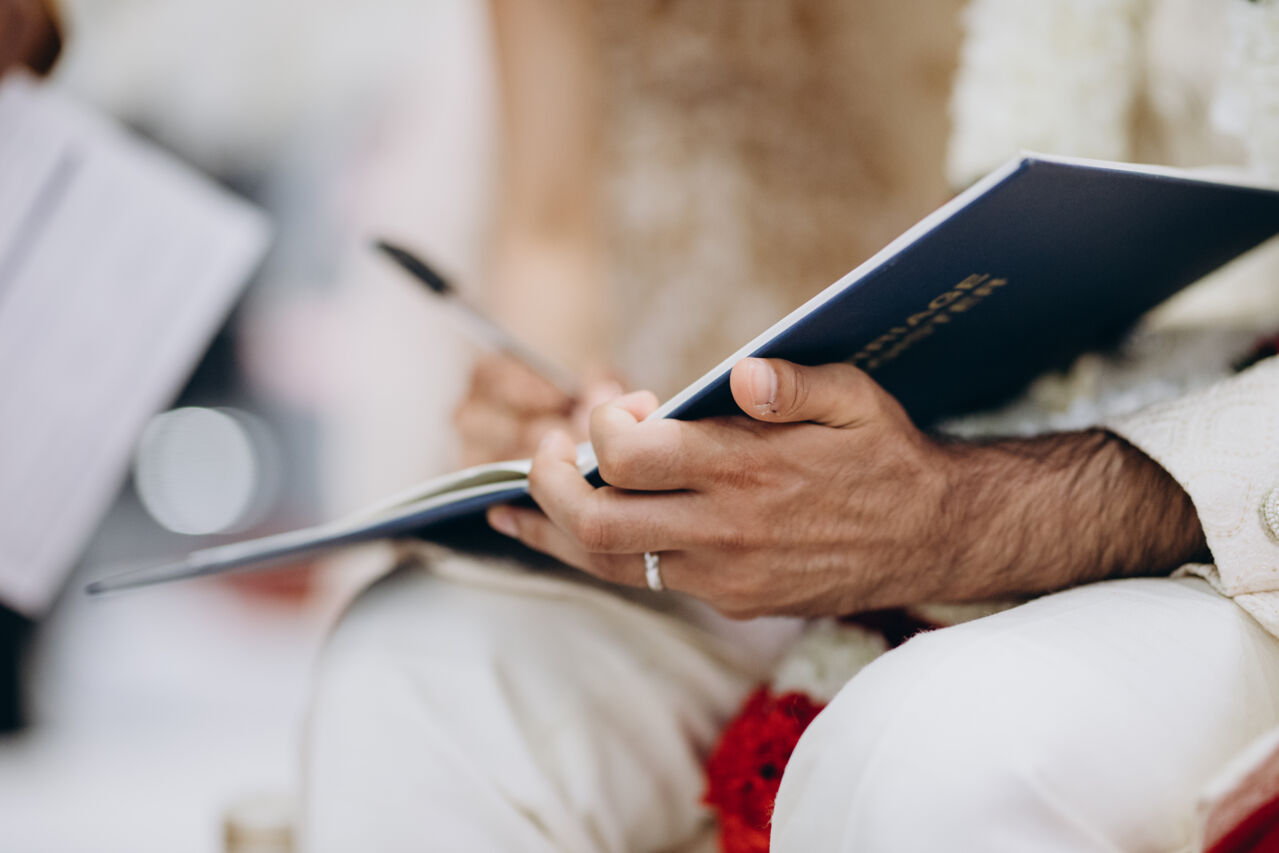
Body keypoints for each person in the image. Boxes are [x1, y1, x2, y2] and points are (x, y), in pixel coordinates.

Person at [303, 1, 1279, 850]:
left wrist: (950, 509)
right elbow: (551, 231)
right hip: (787, 402)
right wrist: (567, 430)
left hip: (1132, 437)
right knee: (415, 665)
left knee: (937, 749)